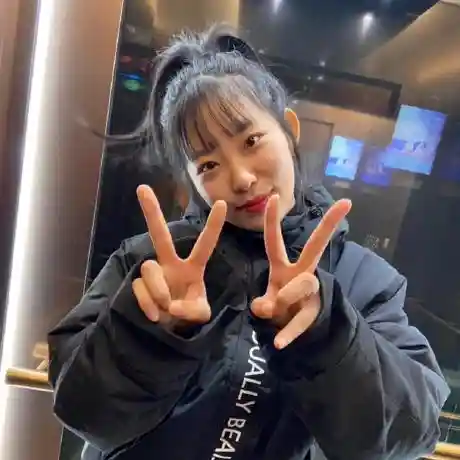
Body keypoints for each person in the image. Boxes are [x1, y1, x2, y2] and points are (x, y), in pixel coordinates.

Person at [48, 25, 450, 460]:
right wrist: (149, 335)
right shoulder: (149, 265)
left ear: (290, 130)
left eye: (252, 140)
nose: (240, 178)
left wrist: (325, 335)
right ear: (192, 181)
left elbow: (412, 431)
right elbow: (83, 412)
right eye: (208, 164)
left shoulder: (364, 282)